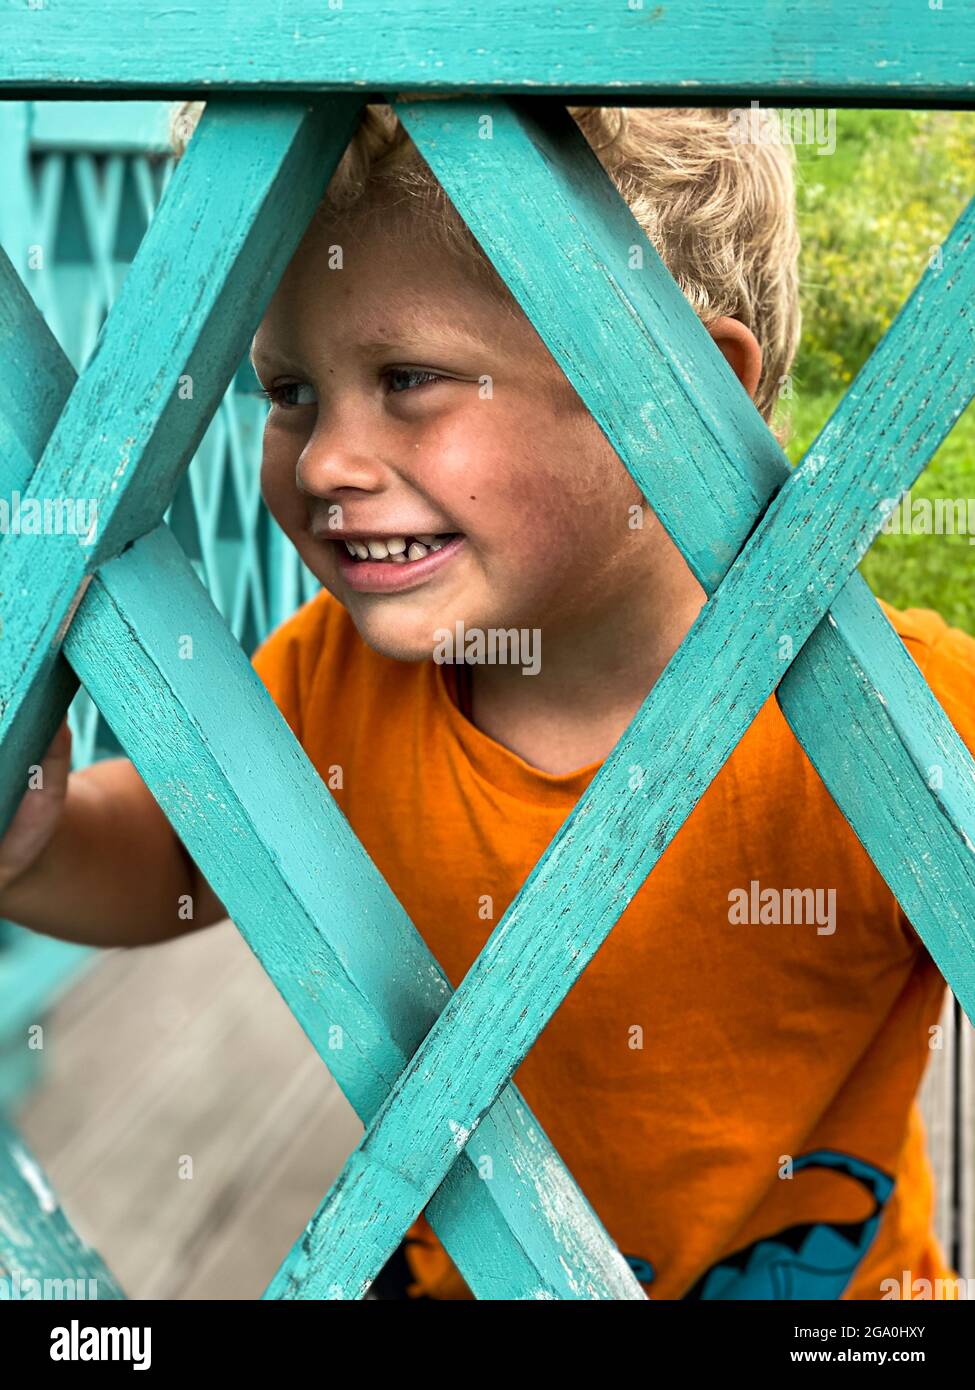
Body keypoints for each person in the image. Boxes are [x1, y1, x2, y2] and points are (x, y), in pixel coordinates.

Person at [2, 103, 973, 1301]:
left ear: (676, 397)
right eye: (289, 390)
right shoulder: (336, 679)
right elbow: (175, 857)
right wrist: (37, 836)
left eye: (407, 378)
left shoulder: (894, 716)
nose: (323, 462)